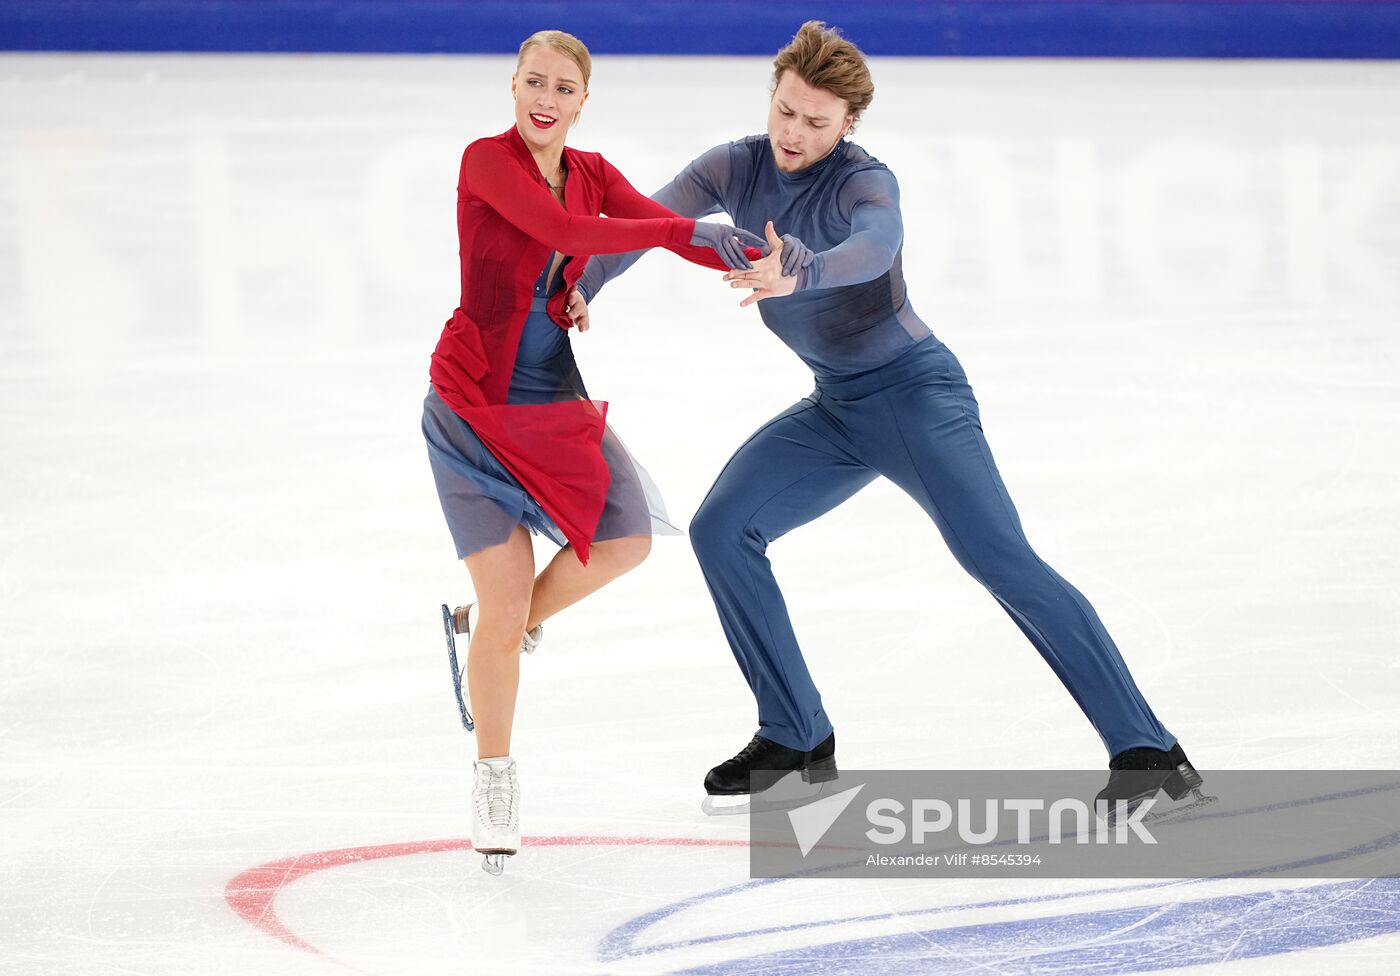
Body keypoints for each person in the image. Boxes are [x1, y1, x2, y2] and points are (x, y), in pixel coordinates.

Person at [575, 21, 1202, 815]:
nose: (795, 133)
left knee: (1001, 560)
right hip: (837, 408)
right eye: (787, 111)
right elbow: (648, 222)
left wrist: (803, 268)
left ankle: (1148, 751)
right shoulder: (736, 161)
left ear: (847, 126)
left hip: (915, 396)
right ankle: (797, 735)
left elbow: (873, 249)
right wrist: (584, 285)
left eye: (817, 121)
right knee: (722, 529)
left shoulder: (866, 183)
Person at [423, 29, 761, 872]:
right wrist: (682, 227)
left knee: (627, 540)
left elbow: (648, 226)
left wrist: (736, 248)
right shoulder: (485, 161)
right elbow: (560, 227)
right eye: (534, 82)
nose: (547, 98)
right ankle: (494, 778)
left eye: (564, 88)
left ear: (581, 100)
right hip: (473, 407)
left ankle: (485, 629)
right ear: (512, 87)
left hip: (551, 396)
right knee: (507, 614)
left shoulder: (592, 170)